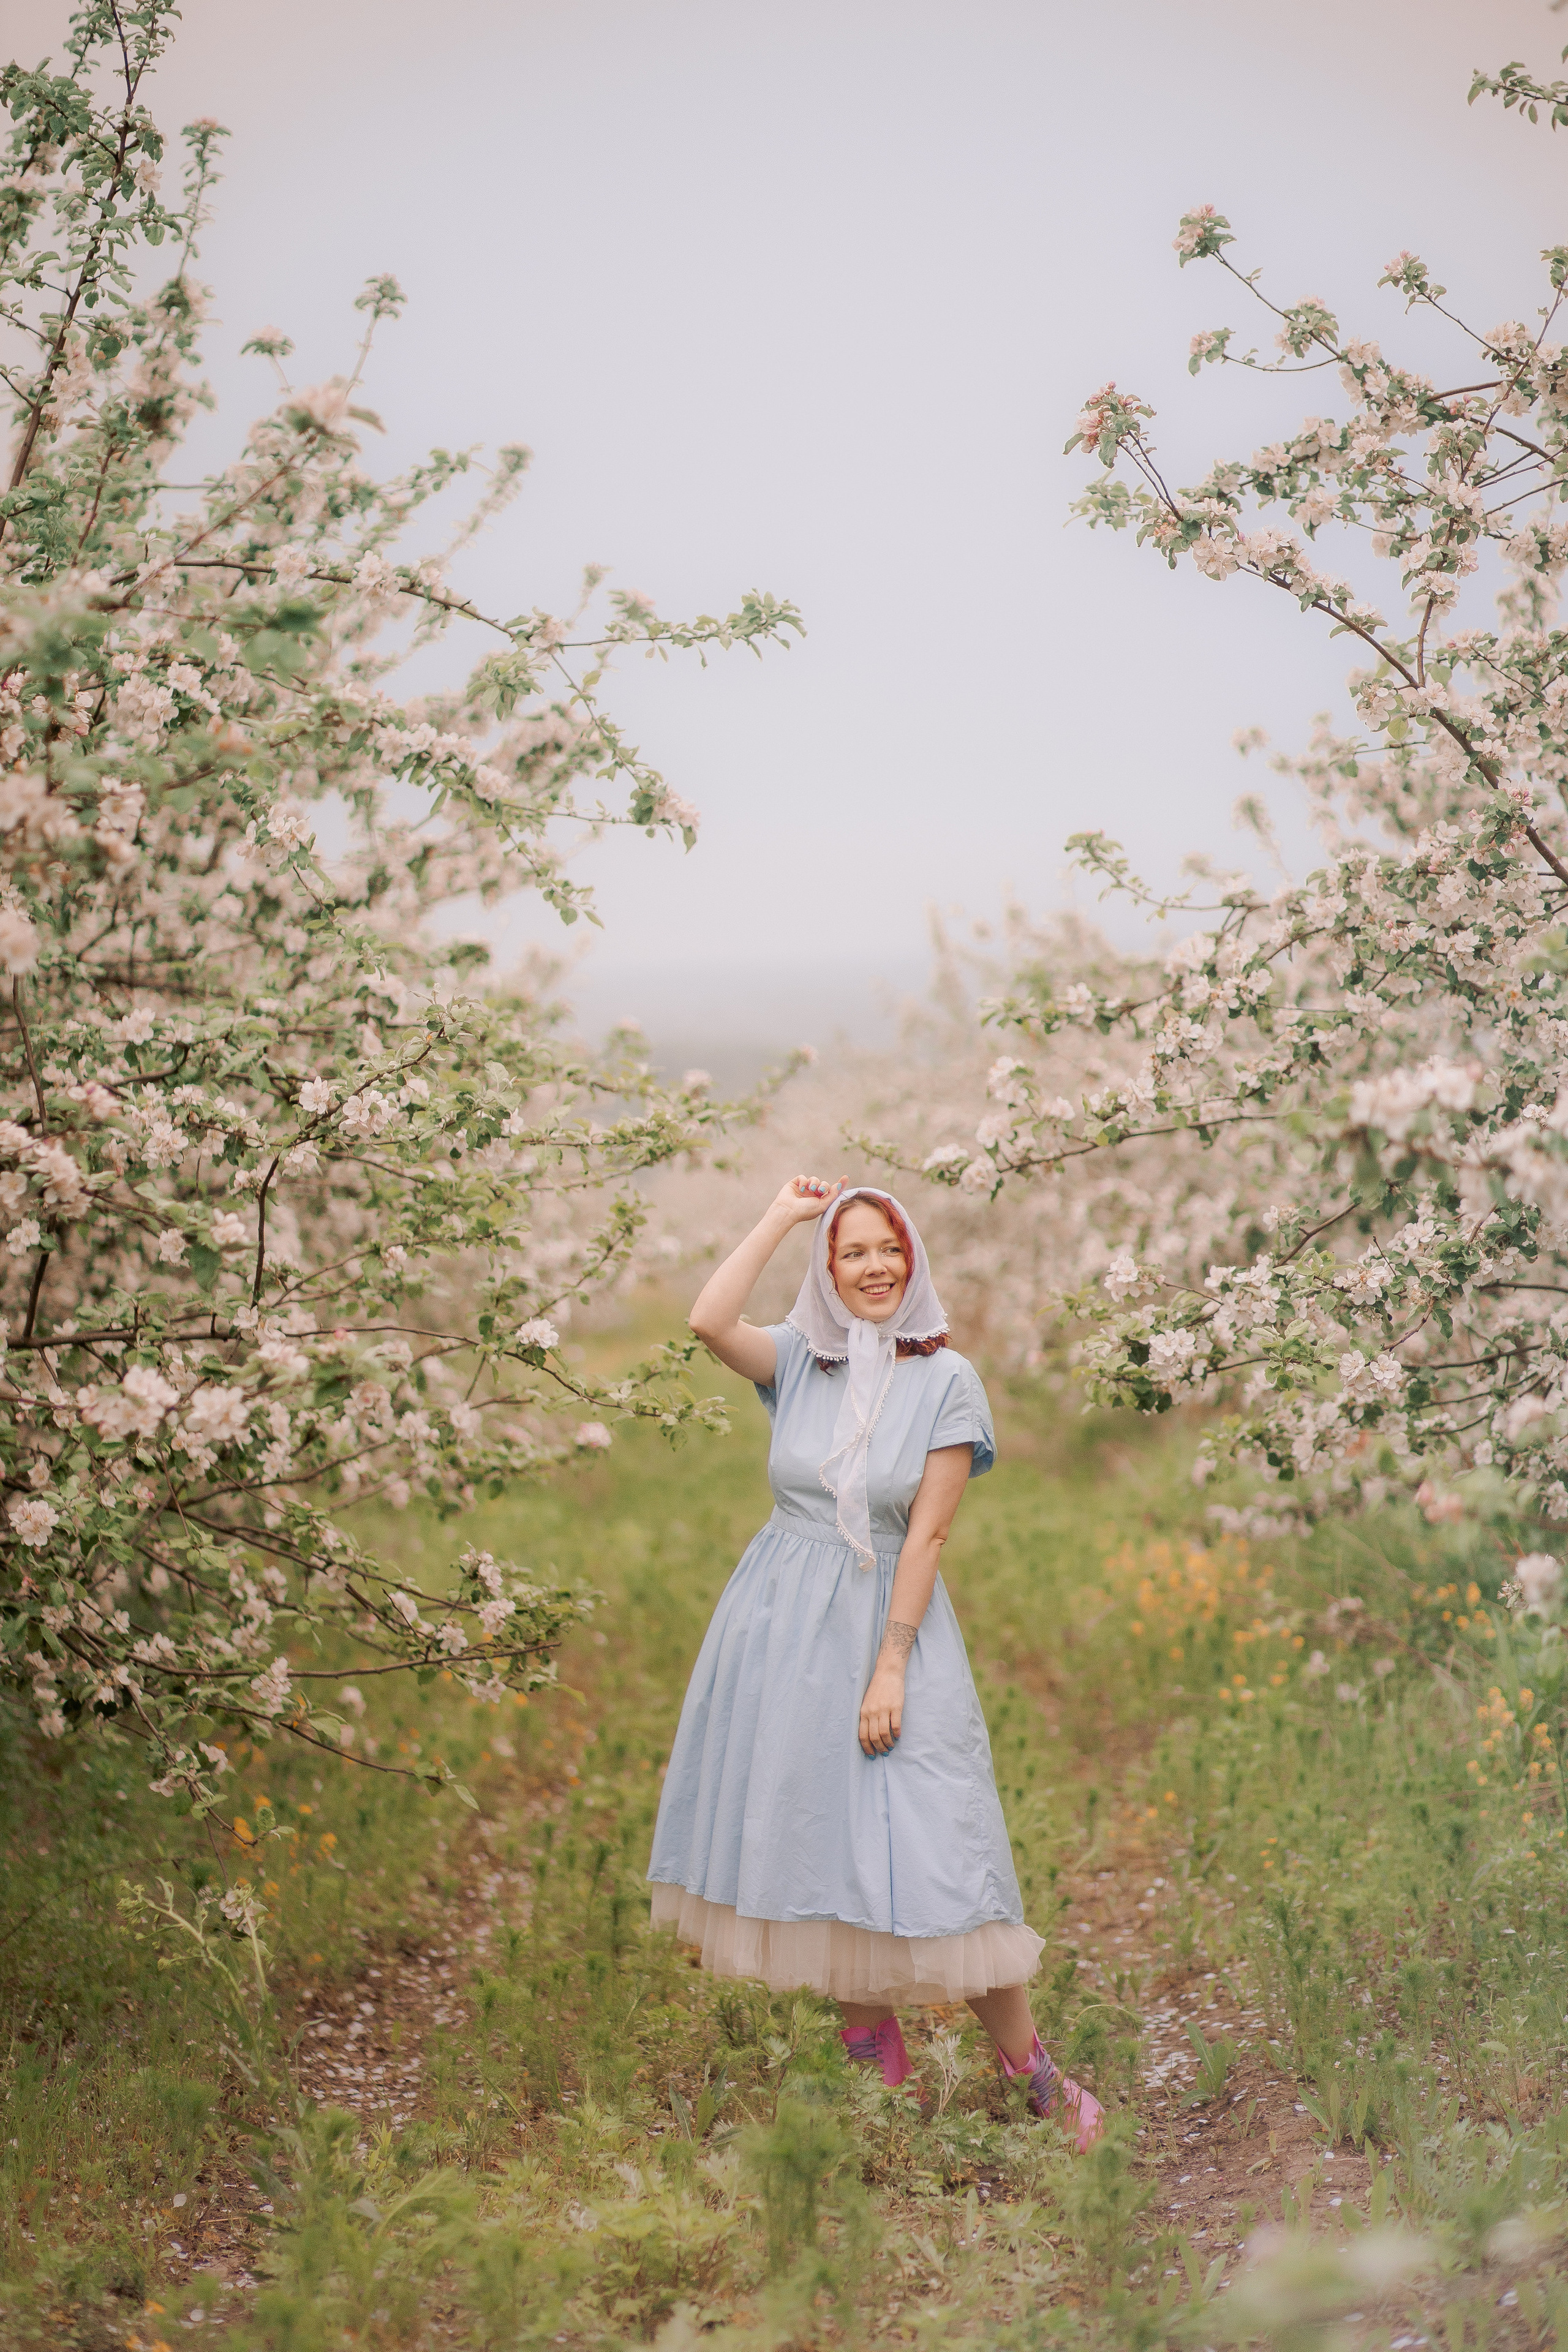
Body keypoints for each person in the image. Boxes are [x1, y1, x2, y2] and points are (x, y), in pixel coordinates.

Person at [646, 1175, 1103, 2150]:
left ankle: (1034, 2073)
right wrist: (780, 1217)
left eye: (887, 1247)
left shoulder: (947, 1383)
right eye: (851, 1252)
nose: (873, 1267)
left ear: (914, 1258)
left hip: (893, 1624)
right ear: (827, 1268)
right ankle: (876, 2063)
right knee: (824, 1839)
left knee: (944, 1844)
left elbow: (927, 1538)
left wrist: (890, 1666)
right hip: (780, 1627)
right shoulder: (797, 1366)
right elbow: (706, 1318)